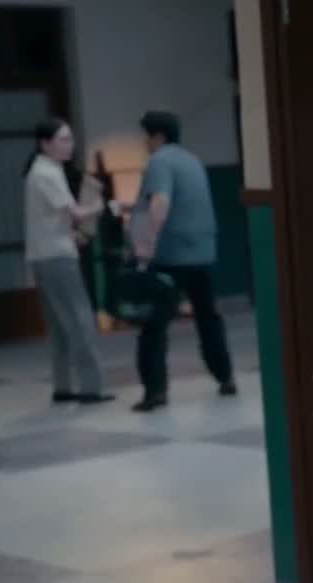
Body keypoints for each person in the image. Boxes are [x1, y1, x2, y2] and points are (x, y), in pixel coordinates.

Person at [130, 110, 236, 412]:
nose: (145, 144)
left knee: (154, 325)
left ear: (157, 136)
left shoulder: (159, 161)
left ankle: (154, 391)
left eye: (146, 137)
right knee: (208, 317)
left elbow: (160, 201)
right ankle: (225, 376)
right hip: (202, 252)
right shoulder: (192, 160)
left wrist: (146, 243)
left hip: (171, 255)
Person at [23, 118, 114, 405]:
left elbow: (57, 217)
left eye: (70, 139)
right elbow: (75, 213)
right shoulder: (48, 173)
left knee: (59, 324)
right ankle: (91, 387)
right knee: (80, 318)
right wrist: (100, 206)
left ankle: (62, 385)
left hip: (44, 255)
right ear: (45, 144)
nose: (70, 145)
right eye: (63, 139)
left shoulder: (41, 170)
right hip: (58, 256)